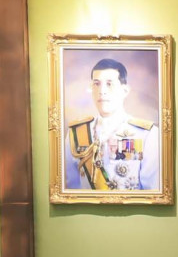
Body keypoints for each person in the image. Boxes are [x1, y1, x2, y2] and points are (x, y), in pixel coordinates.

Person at [65, 57, 162, 193]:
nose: (102, 91)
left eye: (109, 84)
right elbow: (71, 190)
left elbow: (153, 192)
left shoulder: (147, 134)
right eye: (96, 84)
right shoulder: (76, 133)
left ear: (125, 91)